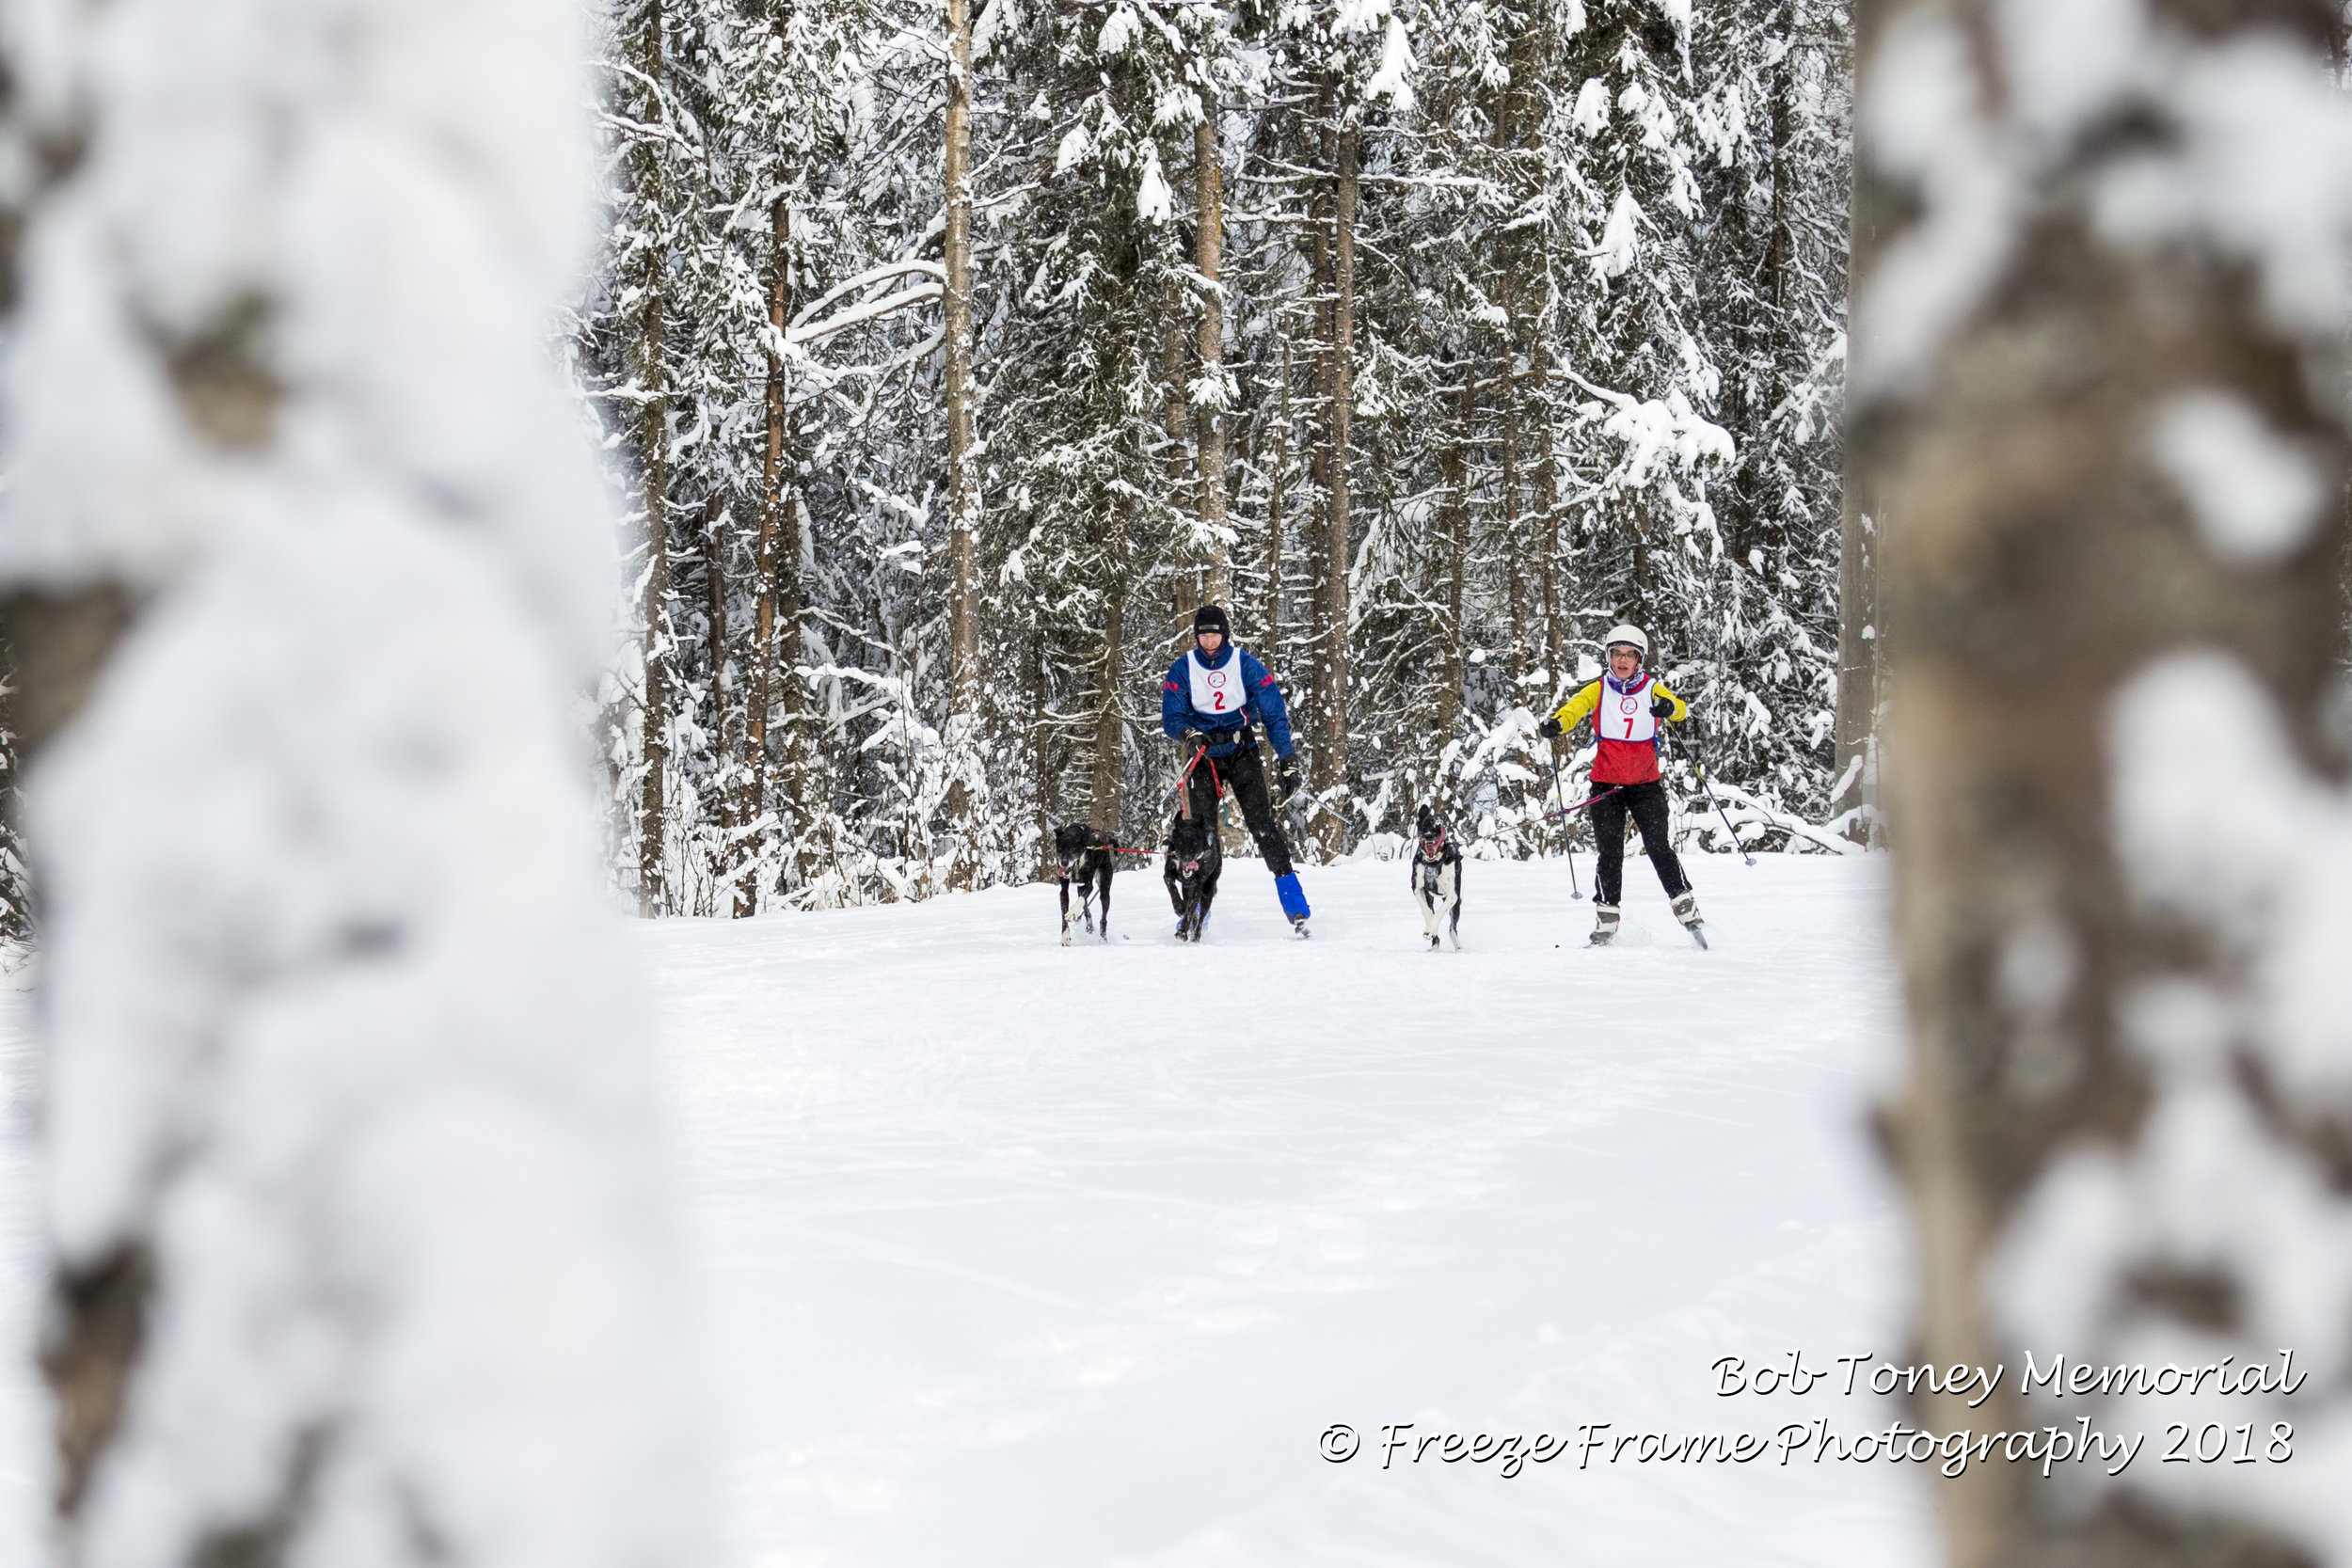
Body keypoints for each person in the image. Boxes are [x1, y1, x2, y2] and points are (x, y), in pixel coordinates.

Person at [1537, 623, 1704, 944]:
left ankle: (1687, 910)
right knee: (1609, 853)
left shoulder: (1652, 688)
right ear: (1609, 657)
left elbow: (1680, 710)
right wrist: (1558, 723)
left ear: (1640, 660)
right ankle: (1606, 918)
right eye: (1617, 654)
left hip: (1646, 786)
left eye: (1630, 655)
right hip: (1606, 787)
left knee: (1658, 847)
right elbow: (1575, 709)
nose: (1623, 660)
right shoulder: (1599, 689)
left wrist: (1670, 708)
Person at [1160, 604, 1313, 936]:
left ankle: (1295, 904)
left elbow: (1273, 712)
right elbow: (1171, 717)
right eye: (1204, 636)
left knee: (1262, 827)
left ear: (1225, 635)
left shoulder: (1245, 664)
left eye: (1215, 635)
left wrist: (1287, 760)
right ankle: (1196, 909)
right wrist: (1188, 733)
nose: (1210, 642)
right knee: (1204, 836)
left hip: (1242, 752)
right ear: (1196, 636)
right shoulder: (1182, 669)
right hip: (1204, 757)